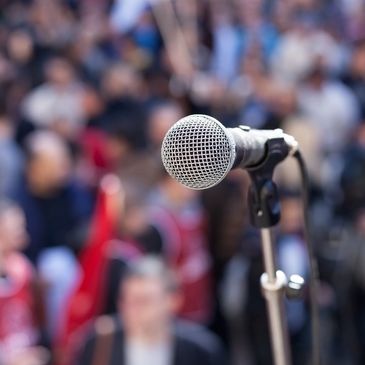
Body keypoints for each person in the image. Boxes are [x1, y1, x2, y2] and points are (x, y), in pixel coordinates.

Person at [77, 256, 226, 365]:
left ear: (172, 301)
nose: (132, 309)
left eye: (143, 301)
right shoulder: (99, 342)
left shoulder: (201, 350)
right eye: (127, 300)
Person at [0, 199, 49, 365]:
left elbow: (35, 319)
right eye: (16, 227)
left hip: (26, 350)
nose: (22, 232)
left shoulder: (23, 267)